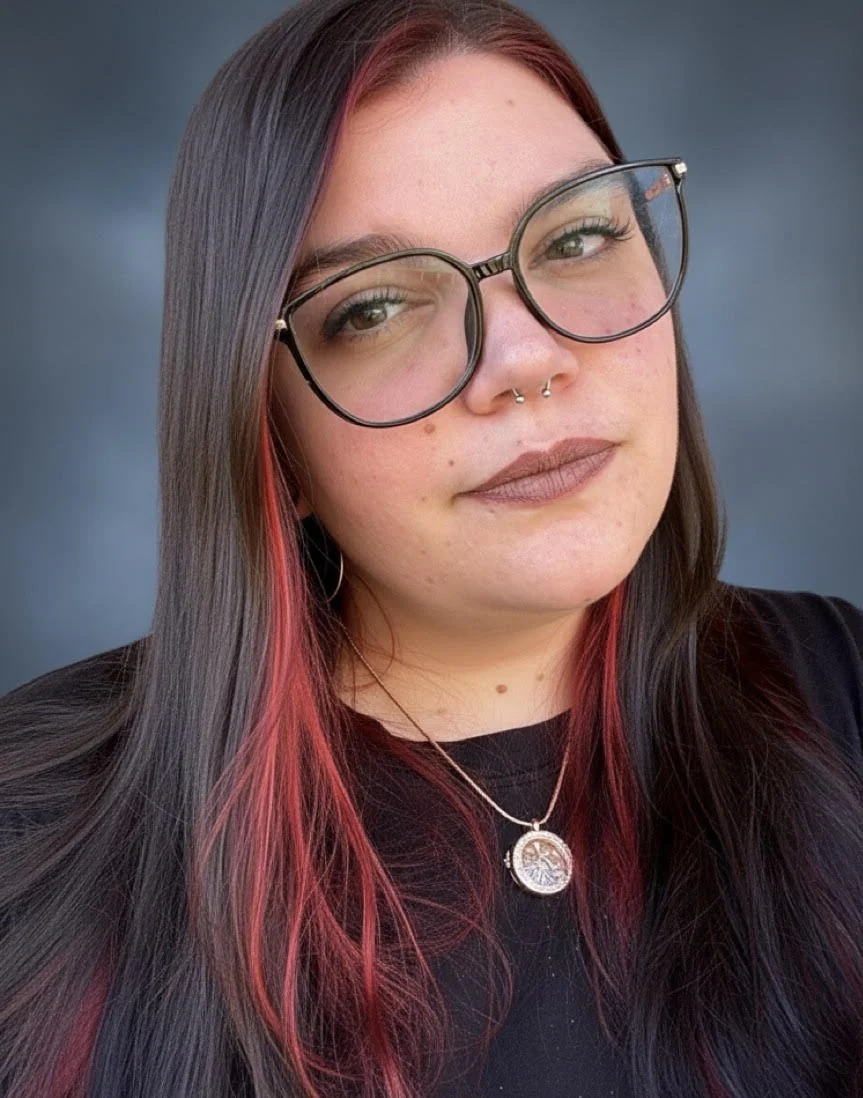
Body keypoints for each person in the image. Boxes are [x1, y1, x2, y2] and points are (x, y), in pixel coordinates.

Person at [1, 0, 862, 1095]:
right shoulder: (28, 847)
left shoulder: (838, 691)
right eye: (374, 309)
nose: (525, 358)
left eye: (576, 238)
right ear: (265, 432)